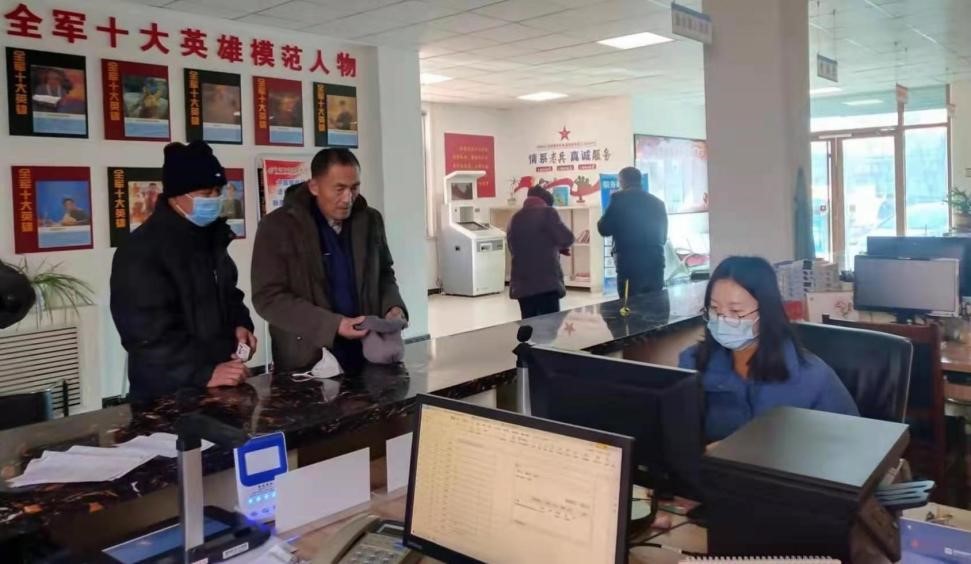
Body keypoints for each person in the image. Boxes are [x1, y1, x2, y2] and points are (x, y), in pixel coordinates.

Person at [110, 141, 256, 401]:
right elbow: (146, 334)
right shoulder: (142, 249)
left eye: (217, 191)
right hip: (166, 394)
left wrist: (241, 324)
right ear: (176, 195)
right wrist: (202, 373)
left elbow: (229, 293)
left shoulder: (212, 238)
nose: (214, 199)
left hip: (219, 382)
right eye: (205, 193)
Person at [252, 148, 407, 374]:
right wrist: (333, 325)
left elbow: (384, 272)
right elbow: (268, 298)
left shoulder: (370, 219)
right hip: (307, 359)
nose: (348, 198)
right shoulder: (278, 227)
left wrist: (393, 306)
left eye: (354, 188)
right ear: (314, 186)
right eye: (339, 189)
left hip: (369, 350)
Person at [678, 256, 858, 442]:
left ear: (766, 312)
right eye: (715, 309)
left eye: (736, 312)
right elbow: (678, 435)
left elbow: (851, 443)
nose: (722, 320)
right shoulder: (692, 363)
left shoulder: (813, 377)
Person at [597, 166, 668, 295]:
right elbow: (663, 237)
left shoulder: (618, 199)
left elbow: (604, 229)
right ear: (639, 181)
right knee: (655, 304)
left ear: (622, 181)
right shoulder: (658, 203)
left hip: (629, 265)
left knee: (629, 304)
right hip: (656, 263)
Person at [507, 186, 575, 319]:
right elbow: (567, 238)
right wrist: (556, 245)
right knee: (549, 326)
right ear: (546, 202)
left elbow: (515, 247)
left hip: (522, 284)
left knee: (529, 324)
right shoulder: (548, 212)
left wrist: (550, 245)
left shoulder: (515, 217)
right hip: (546, 283)